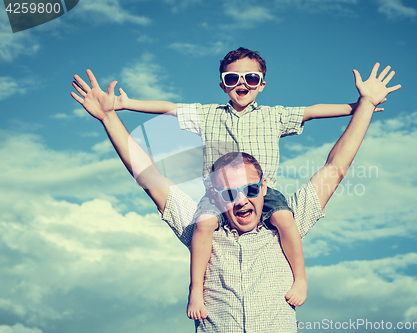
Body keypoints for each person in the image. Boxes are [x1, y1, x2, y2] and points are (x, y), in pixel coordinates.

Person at [71, 62, 400, 332]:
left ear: (265, 188)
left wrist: (365, 105)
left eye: (251, 190)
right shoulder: (202, 227)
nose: (242, 200)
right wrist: (110, 116)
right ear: (214, 193)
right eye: (230, 192)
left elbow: (336, 167)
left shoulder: (286, 224)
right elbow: (149, 176)